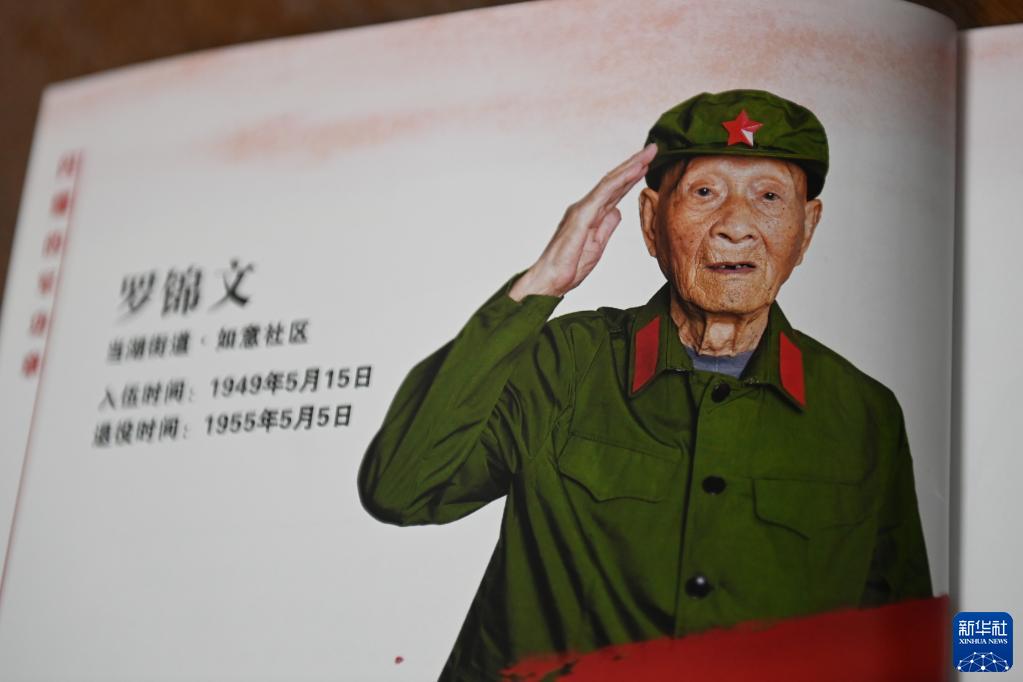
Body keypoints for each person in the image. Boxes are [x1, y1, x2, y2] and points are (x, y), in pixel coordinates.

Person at [357, 89, 932, 681]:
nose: (736, 227)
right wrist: (540, 284)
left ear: (806, 228)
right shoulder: (568, 360)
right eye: (704, 193)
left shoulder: (862, 412)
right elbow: (401, 489)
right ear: (651, 222)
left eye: (768, 197)